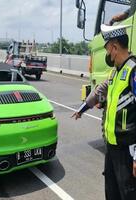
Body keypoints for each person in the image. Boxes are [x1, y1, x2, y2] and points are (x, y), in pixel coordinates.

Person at [72, 24, 136, 200]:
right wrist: (82, 109)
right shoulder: (115, 72)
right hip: (112, 146)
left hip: (128, 150)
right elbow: (100, 90)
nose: (107, 55)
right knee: (112, 191)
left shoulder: (133, 70)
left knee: (128, 193)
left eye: (107, 50)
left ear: (114, 47)